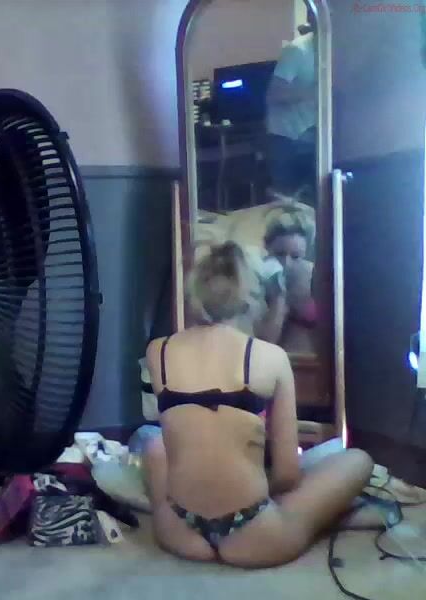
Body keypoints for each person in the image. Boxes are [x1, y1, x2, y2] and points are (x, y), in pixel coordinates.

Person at [144, 242, 372, 567]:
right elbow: (287, 475)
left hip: (179, 530)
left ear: (196, 294)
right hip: (254, 534)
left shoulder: (158, 351)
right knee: (357, 460)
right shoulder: (271, 357)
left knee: (154, 446)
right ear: (251, 297)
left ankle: (174, 513)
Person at [265, 4, 317, 203]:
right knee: (285, 201)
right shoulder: (297, 50)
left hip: (315, 135)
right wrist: (315, 91)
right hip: (287, 137)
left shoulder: (336, 48)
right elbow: (274, 93)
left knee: (314, 200)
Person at [255, 212, 317, 352]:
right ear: (266, 247)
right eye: (279, 254)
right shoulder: (255, 283)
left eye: (296, 256)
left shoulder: (316, 284)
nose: (286, 263)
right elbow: (265, 343)